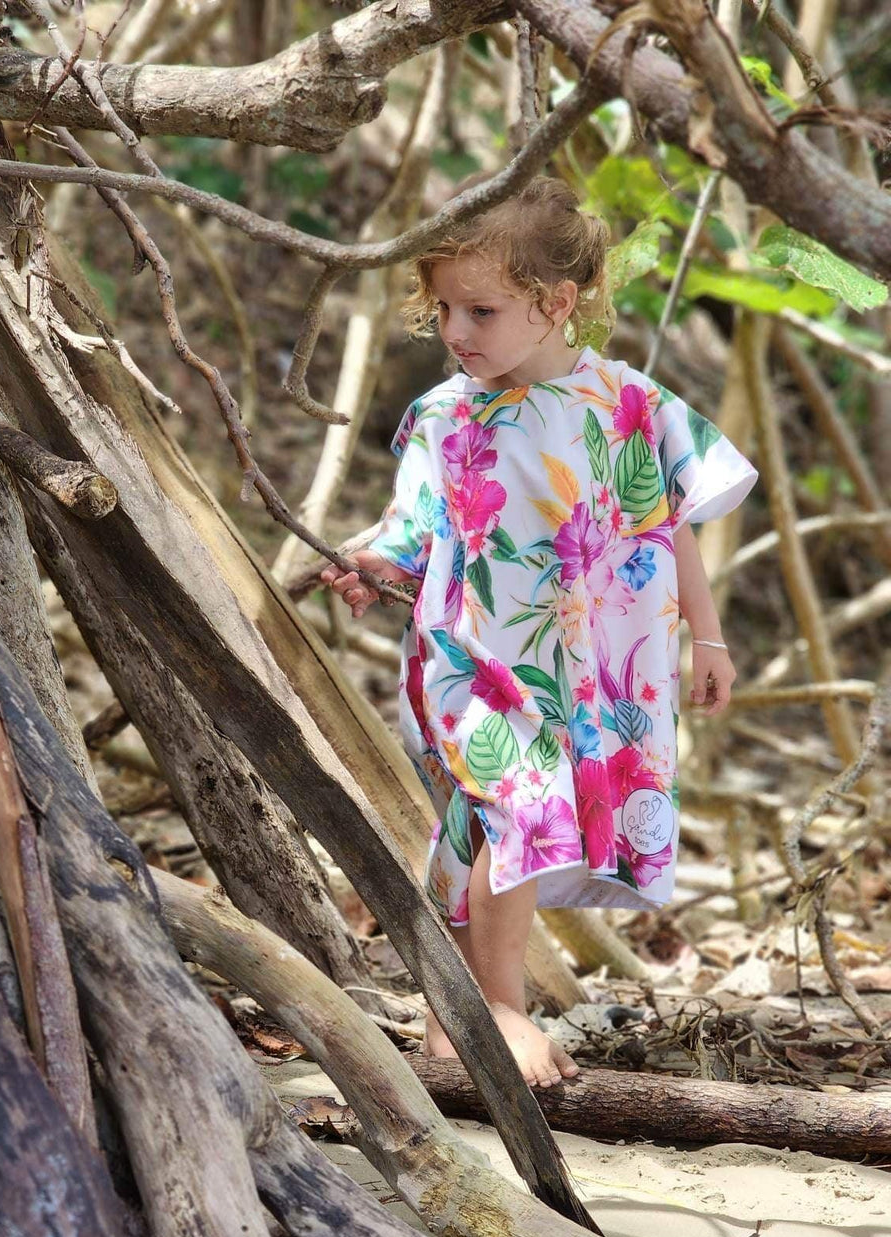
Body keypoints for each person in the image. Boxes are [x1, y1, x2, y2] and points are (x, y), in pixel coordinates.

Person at [320, 177, 758, 1089]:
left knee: (498, 829)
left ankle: (460, 1013)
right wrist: (371, 564)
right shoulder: (445, 417)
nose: (454, 331)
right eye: (444, 308)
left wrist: (706, 641)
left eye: (481, 310)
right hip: (472, 661)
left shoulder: (629, 404)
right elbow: (416, 527)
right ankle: (498, 1009)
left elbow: (665, 522)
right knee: (516, 809)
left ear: (557, 304)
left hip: (583, 669)